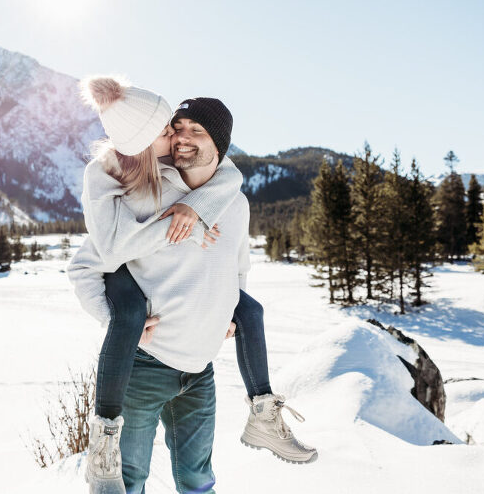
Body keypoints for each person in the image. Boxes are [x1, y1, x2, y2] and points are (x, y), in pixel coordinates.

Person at [68, 77, 317, 494]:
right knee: (126, 483)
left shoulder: (235, 202)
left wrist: (227, 311)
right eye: (175, 128)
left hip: (200, 371)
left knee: (198, 481)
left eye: (193, 131)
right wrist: (114, 320)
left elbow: (237, 270)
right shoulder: (146, 190)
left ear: (219, 145)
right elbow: (86, 264)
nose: (180, 137)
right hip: (145, 366)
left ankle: (263, 414)